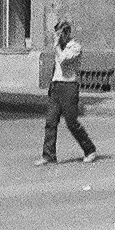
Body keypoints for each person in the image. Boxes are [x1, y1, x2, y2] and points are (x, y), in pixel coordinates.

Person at [37, 19, 99, 166]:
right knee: (50, 122)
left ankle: (89, 149)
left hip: (69, 87)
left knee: (71, 122)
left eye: (60, 35)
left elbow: (64, 60)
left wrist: (57, 45)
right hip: (56, 86)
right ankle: (49, 155)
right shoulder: (60, 46)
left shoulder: (75, 47)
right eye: (56, 35)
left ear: (67, 33)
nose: (58, 38)